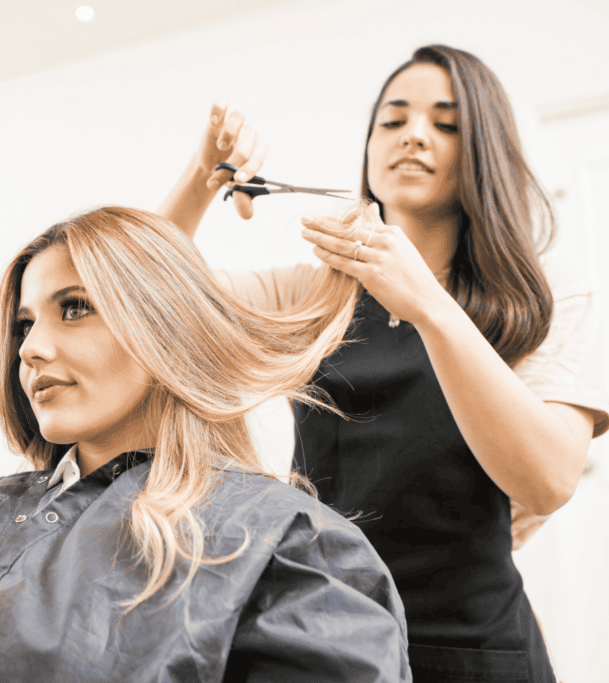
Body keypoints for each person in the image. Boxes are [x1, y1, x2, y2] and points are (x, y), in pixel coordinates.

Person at [0, 206, 410, 682]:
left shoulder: (284, 544)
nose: (30, 349)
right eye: (25, 324)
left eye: (74, 307)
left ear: (165, 325)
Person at [159, 44, 609, 683]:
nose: (413, 137)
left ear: (487, 152)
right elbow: (138, 294)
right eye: (392, 121)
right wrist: (202, 178)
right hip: (324, 636)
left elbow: (548, 482)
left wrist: (429, 305)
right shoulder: (316, 293)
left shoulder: (550, 294)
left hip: (477, 648)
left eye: (446, 124)